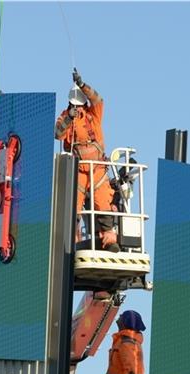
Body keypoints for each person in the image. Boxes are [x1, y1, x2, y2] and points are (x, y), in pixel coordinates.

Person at [54, 69, 119, 252]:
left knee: (103, 205)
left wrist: (83, 84)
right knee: (73, 208)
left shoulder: (94, 115)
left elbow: (98, 99)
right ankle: (72, 245)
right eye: (74, 105)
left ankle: (109, 241)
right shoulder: (66, 116)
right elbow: (58, 133)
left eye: (80, 104)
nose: (78, 108)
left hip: (97, 169)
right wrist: (69, 118)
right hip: (78, 170)